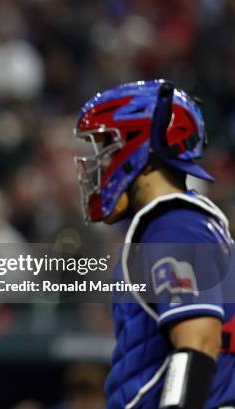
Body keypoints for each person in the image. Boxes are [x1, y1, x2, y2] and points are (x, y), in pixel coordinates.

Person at [74, 79, 235, 408]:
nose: (99, 163)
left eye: (106, 147)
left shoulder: (174, 225)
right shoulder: (180, 223)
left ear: (140, 150)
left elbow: (198, 342)